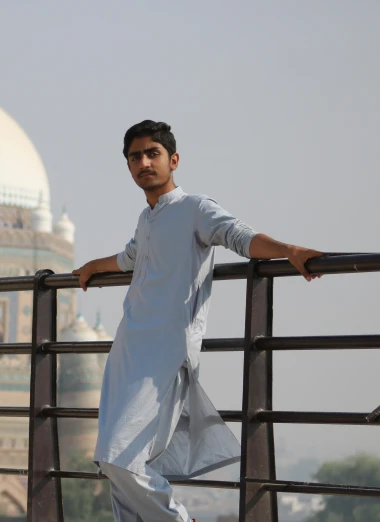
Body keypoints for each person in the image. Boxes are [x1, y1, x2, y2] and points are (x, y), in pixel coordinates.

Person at [73, 120, 322, 522]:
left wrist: (288, 249)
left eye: (152, 154)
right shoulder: (147, 217)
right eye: (135, 157)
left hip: (165, 357)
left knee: (123, 458)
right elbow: (130, 258)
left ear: (173, 160)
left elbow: (239, 236)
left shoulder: (195, 209)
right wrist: (91, 268)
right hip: (127, 351)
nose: (143, 163)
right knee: (110, 460)